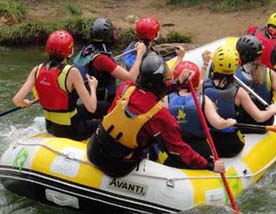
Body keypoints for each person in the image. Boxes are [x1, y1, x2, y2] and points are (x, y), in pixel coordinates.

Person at [86, 53, 225, 178]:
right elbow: (178, 151)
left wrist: (176, 84)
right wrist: (209, 165)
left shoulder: (125, 88)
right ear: (160, 83)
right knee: (153, 142)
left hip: (94, 149)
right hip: (118, 167)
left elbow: (148, 93)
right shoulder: (161, 116)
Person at [12, 30, 99, 141]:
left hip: (51, 127)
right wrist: (92, 87)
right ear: (70, 51)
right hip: (72, 130)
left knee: (84, 110)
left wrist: (26, 103)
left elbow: (17, 100)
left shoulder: (36, 70)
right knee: (103, 123)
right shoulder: (72, 72)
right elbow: (92, 107)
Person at [202, 44, 276, 158]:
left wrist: (205, 63)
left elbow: (202, 78)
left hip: (208, 143)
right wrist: (272, 110)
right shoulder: (239, 92)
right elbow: (259, 117)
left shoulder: (202, 85)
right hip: (232, 145)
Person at [164, 61, 237, 168]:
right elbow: (218, 123)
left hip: (176, 151)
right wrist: (230, 122)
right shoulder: (203, 100)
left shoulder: (166, 99)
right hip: (200, 150)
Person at [73, 17, 147, 118]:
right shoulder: (101, 59)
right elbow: (132, 78)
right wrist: (140, 54)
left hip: (86, 100)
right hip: (101, 103)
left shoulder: (86, 50)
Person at [234, 35, 276, 130]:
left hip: (242, 123)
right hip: (265, 122)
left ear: (242, 55)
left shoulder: (234, 74)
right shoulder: (270, 73)